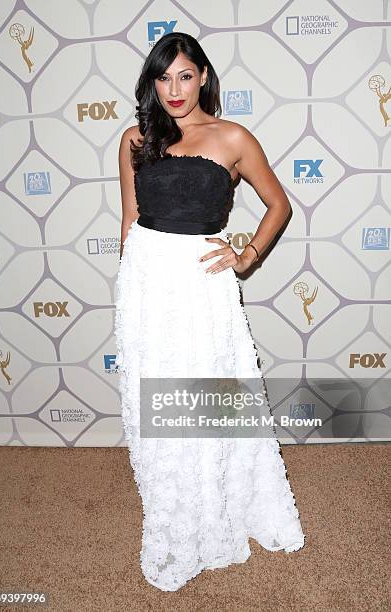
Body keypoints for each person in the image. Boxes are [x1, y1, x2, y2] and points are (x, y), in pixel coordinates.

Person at [114, 32, 305, 592]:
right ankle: (175, 514)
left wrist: (245, 257)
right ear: (153, 83)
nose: (174, 89)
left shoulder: (232, 136)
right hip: (146, 282)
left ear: (203, 77)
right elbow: (129, 220)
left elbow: (279, 203)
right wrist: (126, 291)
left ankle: (218, 504)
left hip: (202, 283)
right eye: (163, 77)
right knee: (153, 399)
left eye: (184, 75)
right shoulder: (133, 139)